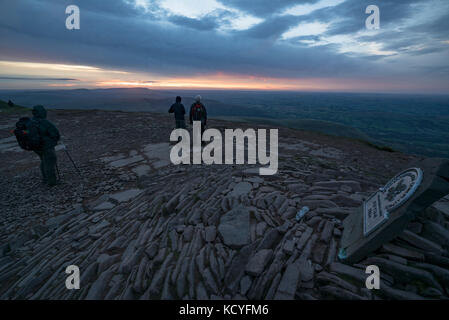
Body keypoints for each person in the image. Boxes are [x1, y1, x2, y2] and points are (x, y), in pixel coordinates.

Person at [32, 105, 61, 186]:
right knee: (50, 162)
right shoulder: (44, 122)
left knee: (44, 161)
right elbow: (55, 134)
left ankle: (45, 179)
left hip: (36, 147)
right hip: (46, 146)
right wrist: (54, 141)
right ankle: (52, 182)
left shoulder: (31, 121)